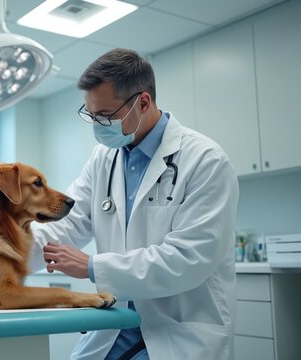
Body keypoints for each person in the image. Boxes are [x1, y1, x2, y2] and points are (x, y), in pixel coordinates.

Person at [29, 48, 239, 359]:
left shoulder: (205, 160)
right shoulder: (103, 159)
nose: (97, 125)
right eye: (91, 114)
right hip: (117, 327)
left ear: (143, 102)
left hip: (178, 330)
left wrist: (90, 266)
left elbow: (187, 259)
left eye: (105, 115)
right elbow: (67, 223)